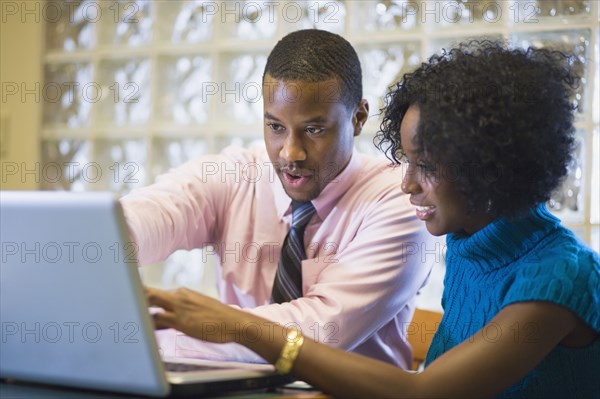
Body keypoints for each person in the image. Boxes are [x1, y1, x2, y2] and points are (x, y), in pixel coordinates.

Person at [145, 40, 600, 398]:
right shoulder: (470, 244)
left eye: (426, 165)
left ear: (490, 165)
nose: (407, 185)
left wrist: (242, 324)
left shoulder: (558, 276)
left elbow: (423, 393)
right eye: (407, 161)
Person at [121, 29, 432, 368]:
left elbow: (318, 330)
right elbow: (148, 217)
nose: (290, 153)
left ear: (358, 118)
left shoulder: (399, 200)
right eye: (275, 126)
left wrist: (146, 337)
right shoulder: (236, 174)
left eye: (313, 130)